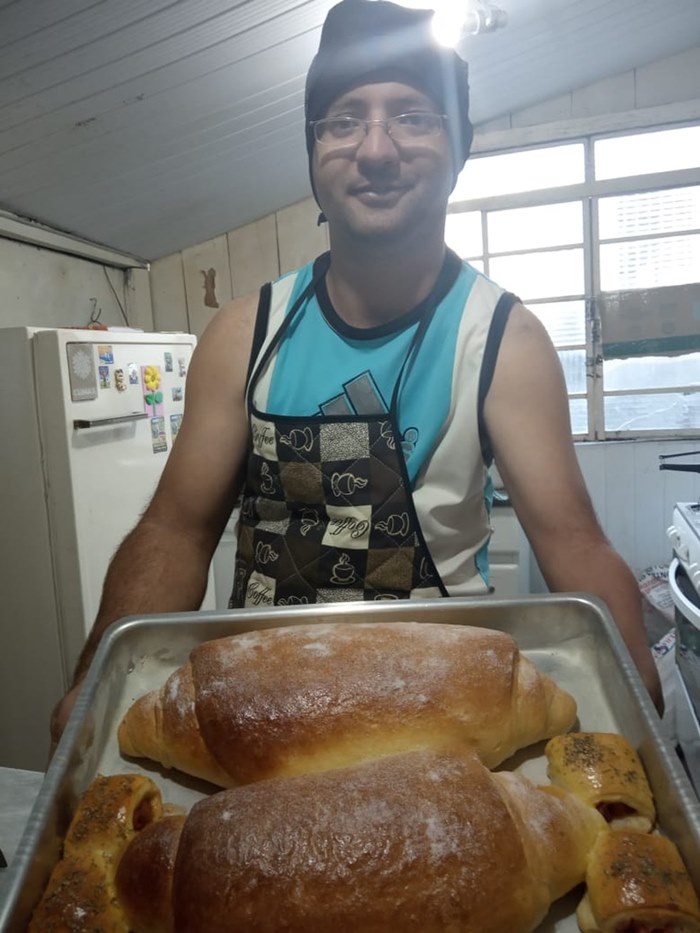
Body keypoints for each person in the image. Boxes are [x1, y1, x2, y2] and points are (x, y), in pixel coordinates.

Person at [50, 0, 661, 750]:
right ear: (313, 151)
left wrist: (640, 705)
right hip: (260, 712)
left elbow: (577, 545)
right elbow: (173, 533)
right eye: (344, 120)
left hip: (440, 711)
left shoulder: (504, 340)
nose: (376, 149)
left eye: (412, 115)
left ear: (458, 145)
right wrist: (95, 681)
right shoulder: (244, 334)